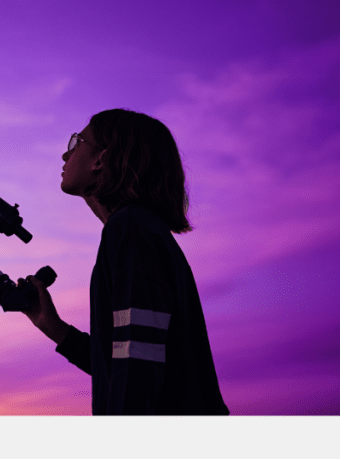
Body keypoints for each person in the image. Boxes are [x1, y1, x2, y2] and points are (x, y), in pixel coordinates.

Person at [21, 108, 229, 415]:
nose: (65, 157)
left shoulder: (130, 229)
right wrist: (51, 325)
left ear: (101, 159)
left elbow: (139, 364)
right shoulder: (137, 230)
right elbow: (124, 359)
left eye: (77, 143)